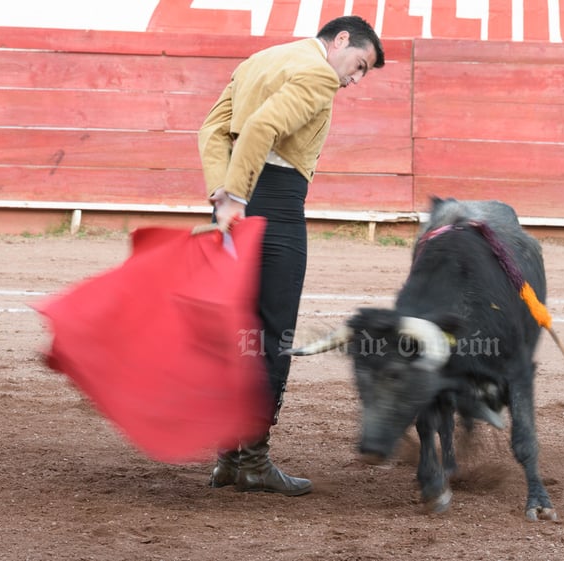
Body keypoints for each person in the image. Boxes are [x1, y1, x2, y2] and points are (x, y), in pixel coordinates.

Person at [197, 15, 385, 496]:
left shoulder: (258, 60)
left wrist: (222, 193)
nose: (354, 79)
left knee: (237, 328)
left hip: (236, 207)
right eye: (359, 65)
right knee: (271, 331)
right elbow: (263, 126)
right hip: (276, 210)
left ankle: (227, 457)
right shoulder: (318, 71)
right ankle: (253, 461)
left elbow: (213, 129)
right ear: (340, 40)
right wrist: (238, 195)